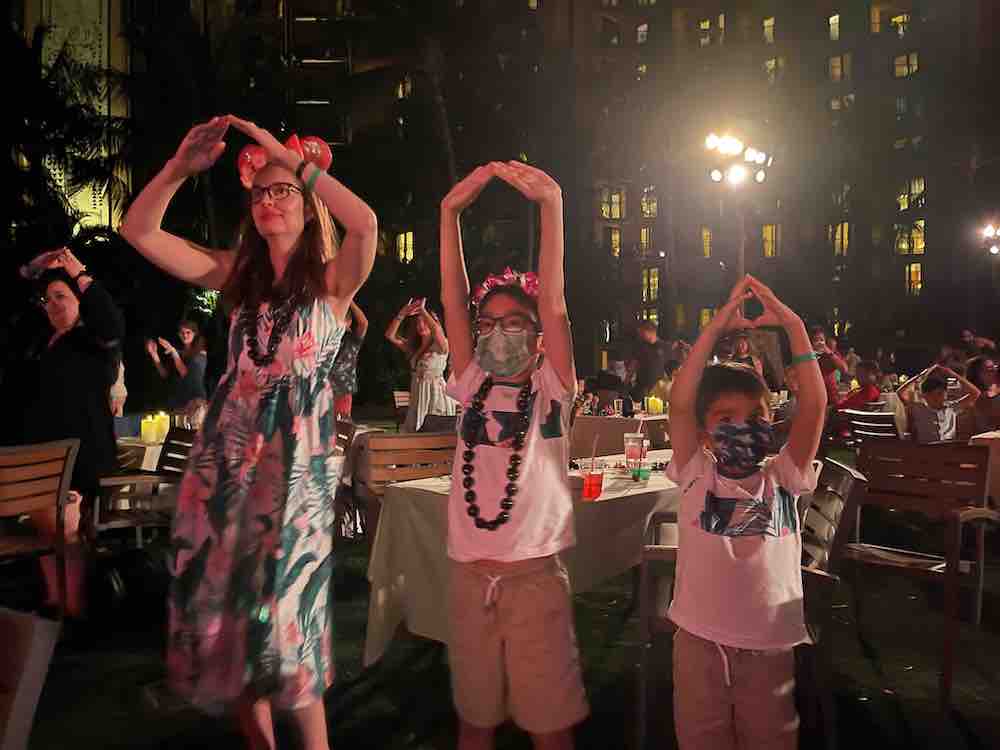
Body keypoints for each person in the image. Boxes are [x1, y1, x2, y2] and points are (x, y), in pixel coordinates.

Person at [120, 114, 376, 748]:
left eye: (281, 190)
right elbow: (138, 229)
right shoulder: (236, 278)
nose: (268, 199)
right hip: (227, 477)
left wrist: (278, 153)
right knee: (236, 631)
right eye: (259, 191)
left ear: (310, 200)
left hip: (295, 488)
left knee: (290, 637)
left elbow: (367, 223)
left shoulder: (334, 282)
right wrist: (180, 167)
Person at [439, 161, 587, 750]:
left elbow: (554, 301)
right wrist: (448, 215)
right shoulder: (471, 380)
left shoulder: (552, 388)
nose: (500, 333)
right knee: (475, 717)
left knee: (548, 722)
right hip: (470, 574)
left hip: (533, 577)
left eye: (516, 323)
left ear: (540, 335)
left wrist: (551, 202)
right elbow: (451, 298)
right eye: (489, 323)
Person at [666, 274, 826, 750]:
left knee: (770, 738)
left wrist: (792, 325)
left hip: (770, 645)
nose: (743, 427)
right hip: (698, 642)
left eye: (755, 417)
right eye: (724, 419)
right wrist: (713, 330)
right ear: (703, 432)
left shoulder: (785, 476)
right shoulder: (696, 473)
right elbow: (679, 403)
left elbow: (814, 405)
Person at [1, 248, 125, 618]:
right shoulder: (41, 344)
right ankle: (57, 600)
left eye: (62, 297)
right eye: (48, 299)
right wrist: (31, 269)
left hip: (79, 461)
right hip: (40, 461)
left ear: (79, 302)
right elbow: (12, 309)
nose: (53, 305)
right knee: (47, 531)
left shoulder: (93, 343)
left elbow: (111, 322)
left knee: (64, 526)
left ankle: (72, 603)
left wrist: (79, 273)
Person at [385, 297, 457, 431]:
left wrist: (423, 311)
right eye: (418, 322)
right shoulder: (413, 347)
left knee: (435, 431)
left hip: (435, 395)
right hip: (418, 395)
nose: (421, 326)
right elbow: (390, 335)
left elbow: (437, 331)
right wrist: (402, 313)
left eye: (425, 322)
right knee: (414, 431)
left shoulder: (441, 345)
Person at [146, 319, 208, 425]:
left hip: (193, 403)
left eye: (188, 332)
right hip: (178, 401)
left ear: (195, 334)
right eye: (182, 333)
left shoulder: (200, 354)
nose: (185, 335)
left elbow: (186, 374)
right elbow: (164, 374)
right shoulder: (179, 353)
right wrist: (154, 354)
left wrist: (173, 352)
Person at [898, 365, 980, 443]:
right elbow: (900, 392)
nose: (937, 398)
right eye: (932, 395)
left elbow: (975, 393)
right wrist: (920, 376)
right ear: (925, 396)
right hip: (927, 450)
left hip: (949, 448)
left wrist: (951, 374)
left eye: (940, 394)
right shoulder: (919, 408)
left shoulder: (952, 407)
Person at [329, 300, 368, 420]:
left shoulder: (352, 340)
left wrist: (349, 300)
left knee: (342, 424)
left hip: (343, 388)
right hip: (324, 387)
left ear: (349, 322)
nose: (337, 323)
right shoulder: (327, 338)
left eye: (341, 319)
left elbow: (364, 323)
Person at [627, 321, 668, 400]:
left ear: (651, 331)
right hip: (642, 389)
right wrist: (626, 381)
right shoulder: (640, 347)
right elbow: (633, 365)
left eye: (642, 332)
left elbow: (668, 368)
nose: (640, 335)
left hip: (659, 389)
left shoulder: (664, 346)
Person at [966, 355, 1000, 432]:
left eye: (995, 367)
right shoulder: (974, 397)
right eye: (990, 370)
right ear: (977, 375)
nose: (996, 372)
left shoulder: (995, 392)